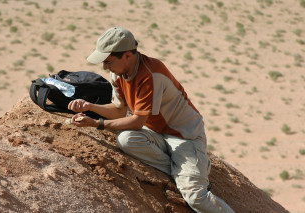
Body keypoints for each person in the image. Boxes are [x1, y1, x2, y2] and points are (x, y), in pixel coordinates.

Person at [68, 26, 235, 213]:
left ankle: (193, 172)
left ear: (128, 56)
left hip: (185, 136)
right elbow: (118, 111)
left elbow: (137, 121)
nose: (105, 67)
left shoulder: (150, 74)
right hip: (155, 132)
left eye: (108, 61)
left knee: (196, 197)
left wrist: (97, 123)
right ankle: (187, 171)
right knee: (126, 140)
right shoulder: (117, 73)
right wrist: (89, 107)